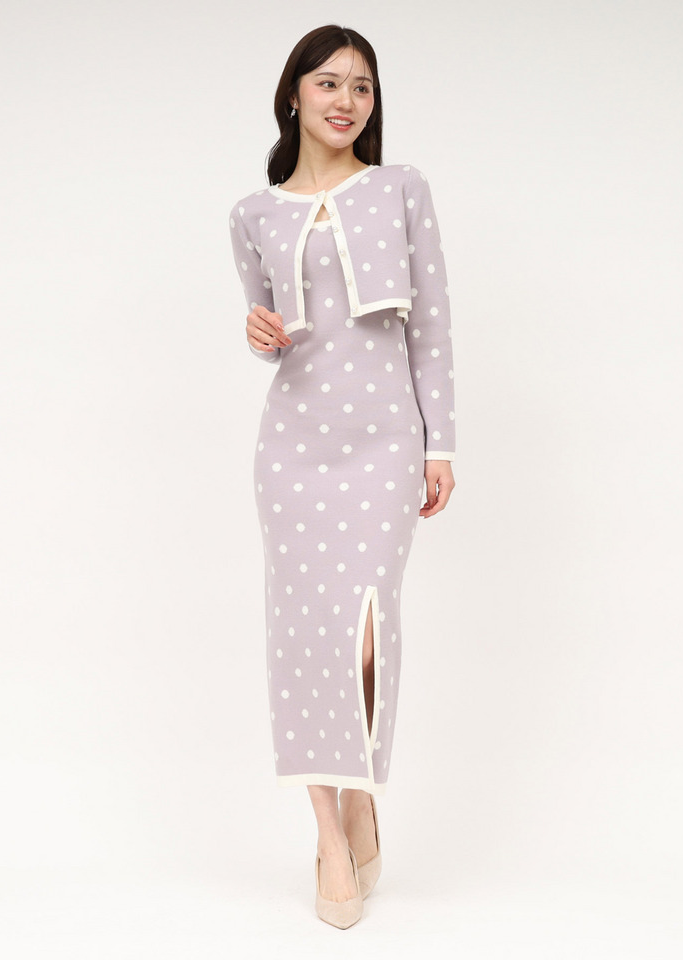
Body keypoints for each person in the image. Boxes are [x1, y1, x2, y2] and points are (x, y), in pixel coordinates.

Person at [229, 24, 456, 928]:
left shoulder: (401, 190)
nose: (346, 100)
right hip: (292, 449)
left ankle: (360, 784)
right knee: (304, 638)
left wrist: (440, 445)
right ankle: (331, 830)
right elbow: (269, 328)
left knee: (363, 632)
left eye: (361, 86)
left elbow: (432, 324)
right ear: (294, 93)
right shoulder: (253, 214)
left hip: (384, 442)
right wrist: (258, 333)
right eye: (328, 83)